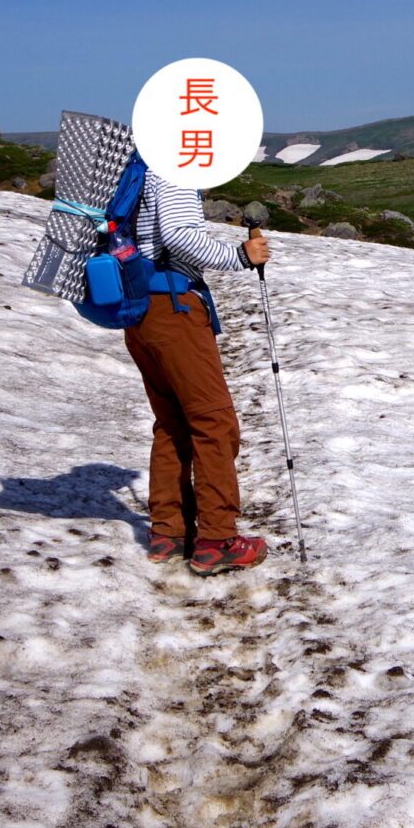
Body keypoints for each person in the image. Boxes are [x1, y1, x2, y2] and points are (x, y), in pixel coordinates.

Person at [125, 170, 271, 574]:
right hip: (173, 308)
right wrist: (240, 257)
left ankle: (169, 533)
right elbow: (177, 234)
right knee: (214, 422)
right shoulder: (171, 172)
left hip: (139, 310)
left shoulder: (134, 174)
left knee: (173, 422)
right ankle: (217, 540)